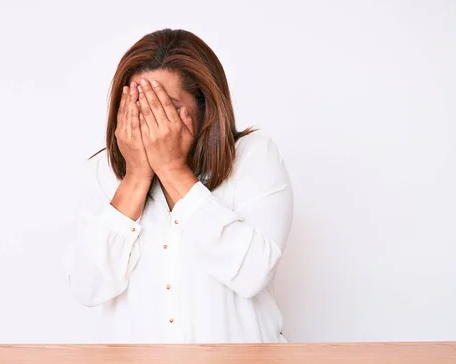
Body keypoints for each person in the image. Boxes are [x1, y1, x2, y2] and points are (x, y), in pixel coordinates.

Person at [64, 28, 293, 343]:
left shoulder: (254, 156)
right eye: (139, 106)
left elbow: (253, 274)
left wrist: (172, 169)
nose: (150, 122)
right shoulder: (103, 173)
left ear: (204, 107)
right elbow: (88, 287)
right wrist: (135, 178)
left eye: (163, 106)